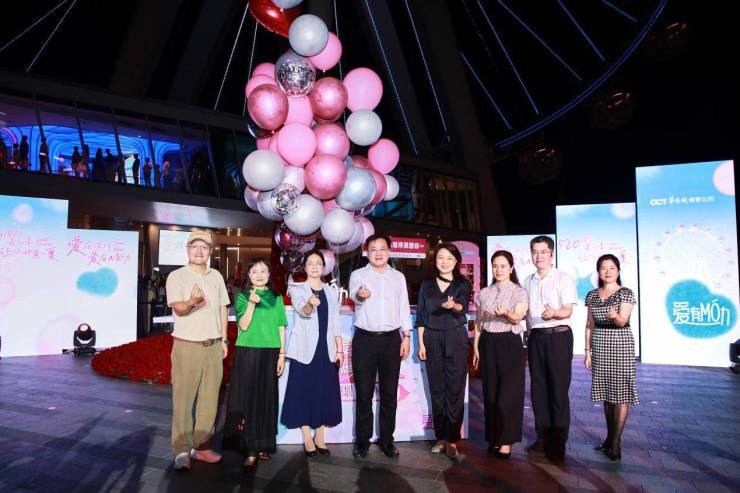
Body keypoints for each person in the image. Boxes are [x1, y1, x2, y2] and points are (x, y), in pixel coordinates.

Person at [165, 230, 229, 470]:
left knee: (210, 400)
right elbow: (179, 309)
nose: (199, 250)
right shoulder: (177, 276)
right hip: (187, 346)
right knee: (183, 399)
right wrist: (193, 301)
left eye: (204, 247)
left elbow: (223, 308)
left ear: (210, 251)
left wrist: (224, 340)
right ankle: (181, 450)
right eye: (195, 246)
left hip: (213, 346)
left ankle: (202, 447)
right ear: (187, 249)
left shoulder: (216, 276)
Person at [349, 233, 412, 459]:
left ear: (389, 251)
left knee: (389, 394)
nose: (378, 253)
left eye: (382, 249)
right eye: (373, 249)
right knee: (364, 394)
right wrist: (361, 294)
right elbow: (355, 294)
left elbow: (404, 307)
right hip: (364, 340)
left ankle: (387, 440)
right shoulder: (358, 274)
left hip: (391, 340)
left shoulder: (398, 277)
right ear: (366, 252)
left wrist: (407, 336)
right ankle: (362, 442)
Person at [224, 258, 287, 471]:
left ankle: (263, 444)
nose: (259, 275)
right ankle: (250, 448)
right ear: (249, 275)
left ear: (269, 274)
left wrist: (282, 354)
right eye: (254, 271)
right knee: (249, 399)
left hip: (271, 352)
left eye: (263, 271)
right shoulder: (242, 296)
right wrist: (251, 303)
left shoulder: (276, 298)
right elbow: (243, 325)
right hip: (248, 351)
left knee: (266, 398)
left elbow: (281, 326)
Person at [281, 250, 343, 456]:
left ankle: (320, 436)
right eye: (310, 263)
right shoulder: (297, 288)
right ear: (305, 267)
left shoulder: (331, 291)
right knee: (303, 391)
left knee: (324, 390)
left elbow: (335, 321)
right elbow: (303, 311)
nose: (315, 266)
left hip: (327, 349)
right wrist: (310, 304)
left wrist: (339, 349)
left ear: (324, 267)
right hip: (305, 349)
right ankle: (307, 436)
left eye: (318, 263)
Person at [523, 235, 577, 461]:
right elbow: (526, 313)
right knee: (538, 391)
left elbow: (567, 310)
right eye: (535, 252)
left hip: (558, 336)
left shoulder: (563, 278)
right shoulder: (528, 280)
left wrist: (554, 313)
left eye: (543, 252)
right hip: (536, 338)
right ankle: (542, 437)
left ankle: (558, 442)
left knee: (558, 390)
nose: (539, 256)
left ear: (552, 254)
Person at [416, 242, 471, 459]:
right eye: (440, 258)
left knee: (455, 391)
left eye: (449, 258)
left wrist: (453, 306)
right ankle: (440, 438)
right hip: (432, 339)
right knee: (437, 390)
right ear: (435, 260)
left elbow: (462, 305)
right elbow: (421, 315)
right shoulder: (427, 284)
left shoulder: (462, 283)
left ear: (456, 261)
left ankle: (452, 439)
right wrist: (421, 343)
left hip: (456, 340)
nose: (445, 262)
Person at [473, 250, 528, 458]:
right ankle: (494, 438)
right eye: (495, 265)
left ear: (511, 268)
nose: (499, 269)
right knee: (491, 393)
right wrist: (476, 346)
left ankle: (506, 441)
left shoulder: (519, 292)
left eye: (503, 266)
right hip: (488, 343)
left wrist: (506, 313)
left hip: (509, 343)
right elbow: (479, 322)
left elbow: (518, 317)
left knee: (509, 394)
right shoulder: (484, 293)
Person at [584, 254, 638, 462]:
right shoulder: (592, 295)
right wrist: (587, 351)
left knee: (621, 393)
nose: (607, 271)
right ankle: (609, 438)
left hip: (620, 344)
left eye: (611, 268)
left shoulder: (625, 293)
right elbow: (589, 325)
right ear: (598, 272)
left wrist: (614, 316)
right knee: (606, 393)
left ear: (618, 271)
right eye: (603, 268)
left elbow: (622, 321)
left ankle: (616, 442)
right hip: (600, 344)